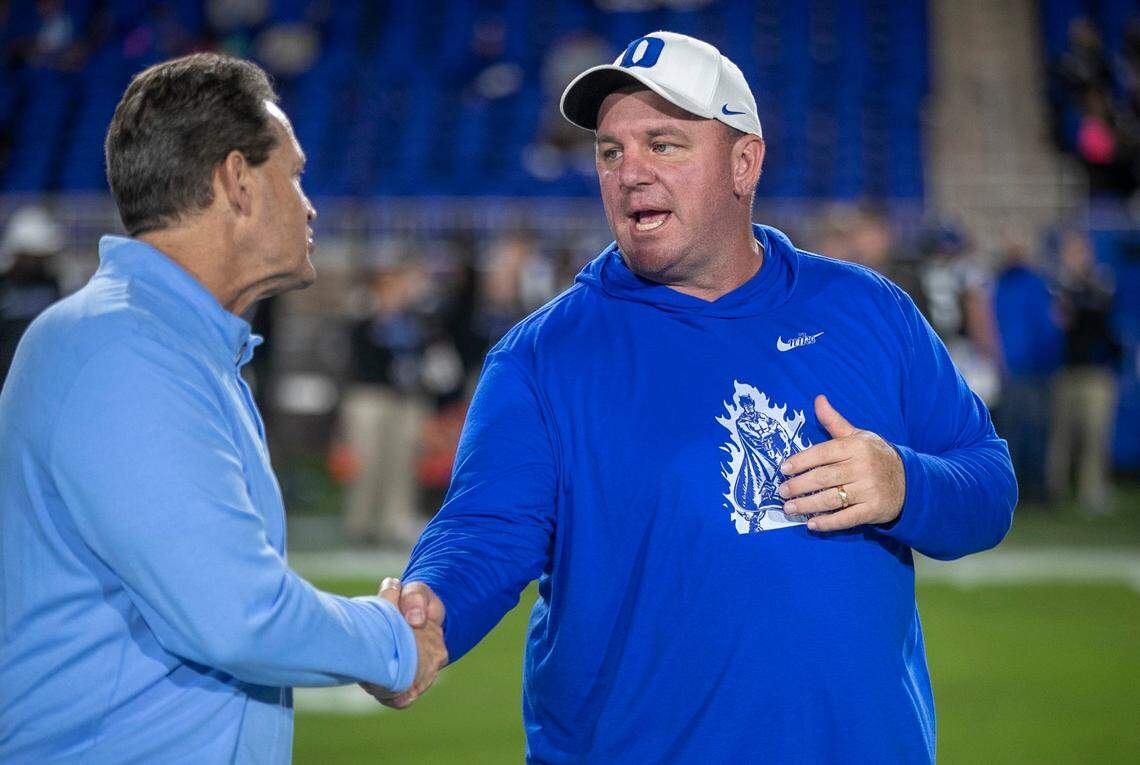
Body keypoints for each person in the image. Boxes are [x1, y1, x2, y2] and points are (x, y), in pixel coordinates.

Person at [385, 32, 1016, 763]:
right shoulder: (543, 357)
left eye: (665, 144)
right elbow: (485, 530)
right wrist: (433, 611)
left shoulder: (867, 309)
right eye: (611, 151)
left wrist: (906, 481)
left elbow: (989, 482)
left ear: (744, 162)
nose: (629, 174)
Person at [0, 54, 445, 762]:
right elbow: (238, 612)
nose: (310, 203)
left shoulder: (166, 342)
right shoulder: (120, 348)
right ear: (237, 181)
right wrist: (393, 641)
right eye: (293, 175)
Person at [1047, 230, 1122, 515]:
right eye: (1071, 253)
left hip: (1096, 372)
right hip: (1065, 371)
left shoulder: (1099, 283)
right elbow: (1059, 320)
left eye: (1079, 252)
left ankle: (1092, 493)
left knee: (1095, 436)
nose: (1075, 259)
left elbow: (1097, 310)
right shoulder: (1058, 285)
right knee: (1061, 437)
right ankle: (1055, 491)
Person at [0, 205, 64, 388]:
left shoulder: (54, 283)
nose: (36, 263)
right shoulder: (3, 286)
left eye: (41, 257)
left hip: (43, 381)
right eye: (32, 256)